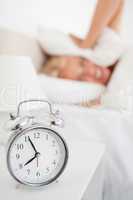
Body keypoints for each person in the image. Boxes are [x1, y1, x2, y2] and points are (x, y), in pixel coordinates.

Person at [41, 0, 124, 85]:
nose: (91, 71)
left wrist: (87, 44)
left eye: (82, 61)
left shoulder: (110, 54)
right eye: (80, 79)